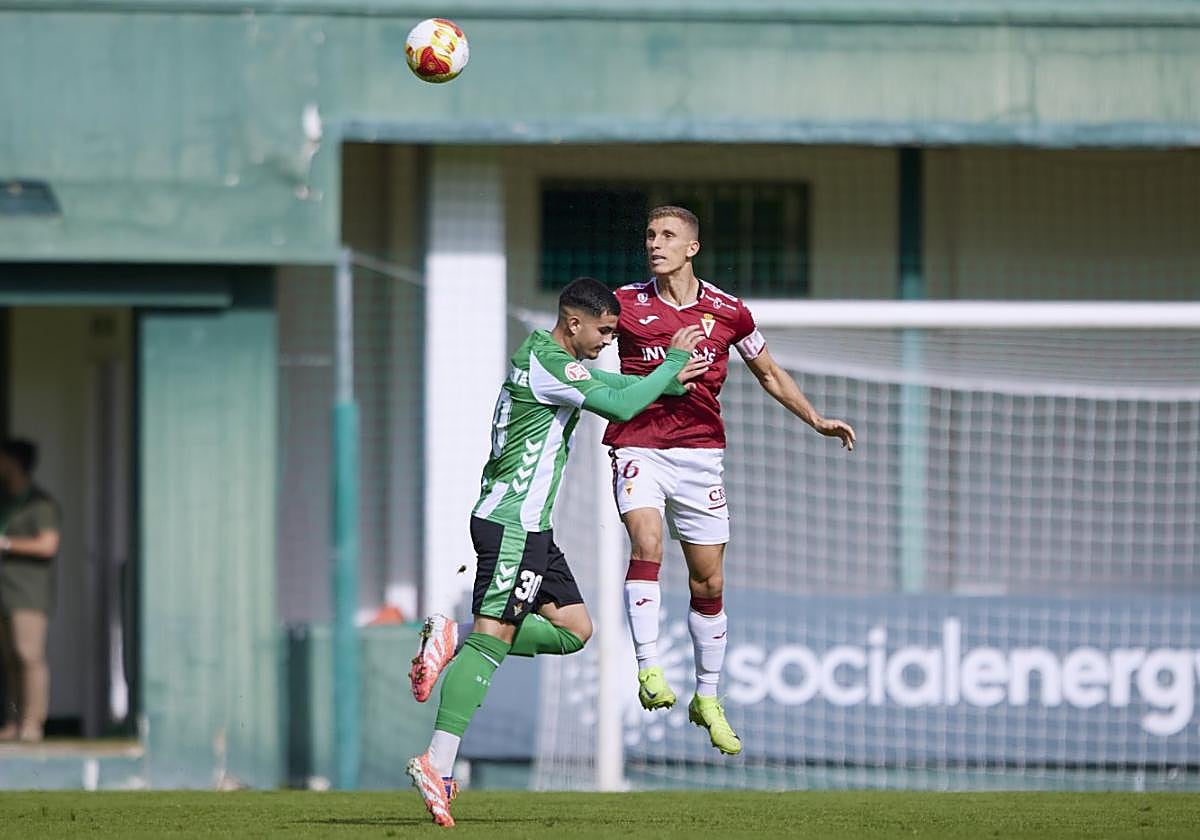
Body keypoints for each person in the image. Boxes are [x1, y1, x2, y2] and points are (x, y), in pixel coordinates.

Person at [406, 276, 708, 827]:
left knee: (574, 630)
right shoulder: (548, 362)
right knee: (493, 643)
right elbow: (616, 408)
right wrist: (669, 367)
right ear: (574, 323)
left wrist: (667, 383)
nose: (608, 341)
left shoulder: (548, 358)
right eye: (604, 331)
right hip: (512, 526)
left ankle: (453, 643)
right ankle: (437, 762)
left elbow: (609, 388)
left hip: (532, 530)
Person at [605, 206, 856, 756]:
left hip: (700, 454)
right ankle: (648, 667)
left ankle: (708, 697)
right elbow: (588, 363)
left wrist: (815, 418)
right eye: (649, 235)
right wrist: (658, 378)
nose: (655, 243)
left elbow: (768, 371)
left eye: (668, 236)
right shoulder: (623, 304)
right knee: (646, 542)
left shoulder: (728, 312)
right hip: (637, 444)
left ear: (692, 248)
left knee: (708, 582)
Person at [0, 439, 61, 743]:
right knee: (9, 658)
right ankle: (13, 722)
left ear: (15, 462)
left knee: (28, 655)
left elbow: (48, 544)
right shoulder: (5, 500)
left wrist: (8, 544)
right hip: (5, 593)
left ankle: (32, 723)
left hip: (29, 594)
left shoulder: (40, 503)